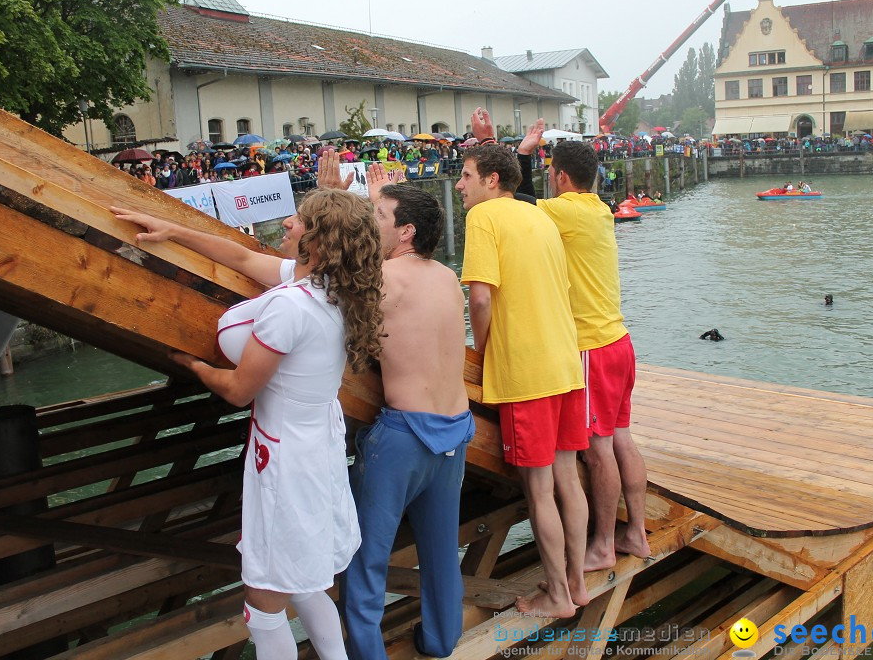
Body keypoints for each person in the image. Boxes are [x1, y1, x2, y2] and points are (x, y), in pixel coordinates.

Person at [110, 192, 384, 660]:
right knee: (306, 576)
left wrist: (192, 365)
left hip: (284, 459)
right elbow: (237, 255)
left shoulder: (291, 306)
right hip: (315, 441)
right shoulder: (335, 287)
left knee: (263, 598)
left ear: (317, 241)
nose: (286, 222)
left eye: (297, 221)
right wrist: (171, 230)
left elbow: (239, 390)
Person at [316, 151, 473, 658]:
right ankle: (440, 640)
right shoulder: (446, 277)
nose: (368, 222)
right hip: (454, 432)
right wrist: (373, 202)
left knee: (365, 562)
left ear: (405, 232)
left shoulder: (386, 281)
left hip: (404, 437)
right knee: (440, 553)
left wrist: (330, 204)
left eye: (378, 216)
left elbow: (317, 277)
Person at [457, 108, 588, 619]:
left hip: (526, 372)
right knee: (568, 480)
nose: (460, 186)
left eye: (466, 177)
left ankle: (556, 596)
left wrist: (485, 351)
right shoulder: (541, 213)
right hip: (565, 365)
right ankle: (576, 582)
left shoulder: (482, 218)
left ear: (491, 181)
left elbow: (482, 299)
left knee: (539, 492)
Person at [513, 119, 651, 573]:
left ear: (561, 177)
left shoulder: (567, 211)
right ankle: (637, 534)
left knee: (597, 449)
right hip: (619, 342)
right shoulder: (598, 209)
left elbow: (517, 202)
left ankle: (604, 545)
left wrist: (523, 153)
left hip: (590, 347)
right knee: (622, 440)